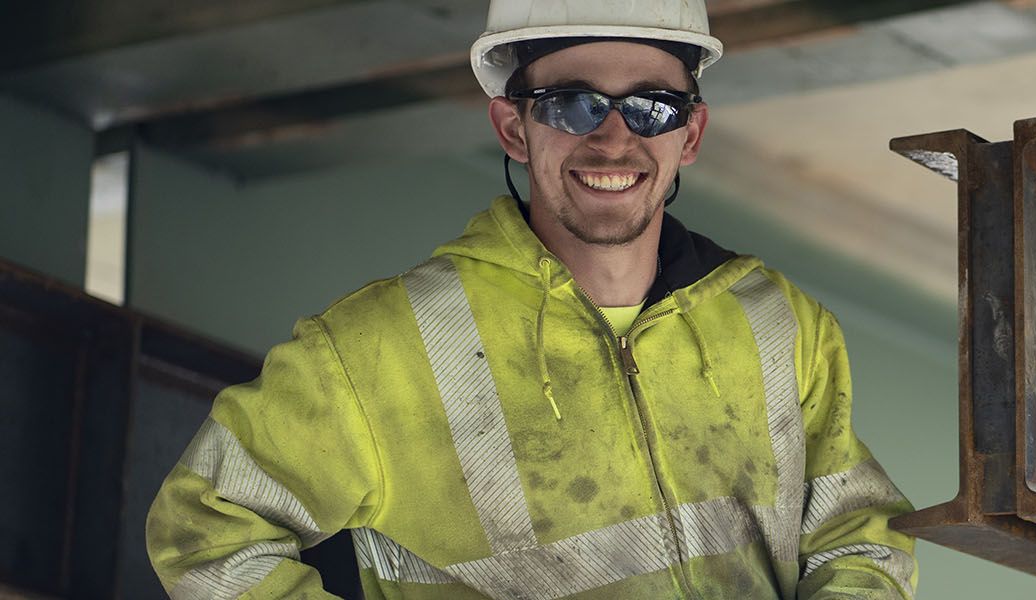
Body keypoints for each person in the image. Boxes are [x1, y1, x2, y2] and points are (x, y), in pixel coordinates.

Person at [144, 1, 917, 597]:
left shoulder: (778, 325)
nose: (613, 140)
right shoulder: (377, 349)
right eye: (571, 104)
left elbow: (861, 539)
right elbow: (206, 530)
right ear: (513, 127)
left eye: (652, 107)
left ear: (692, 133)